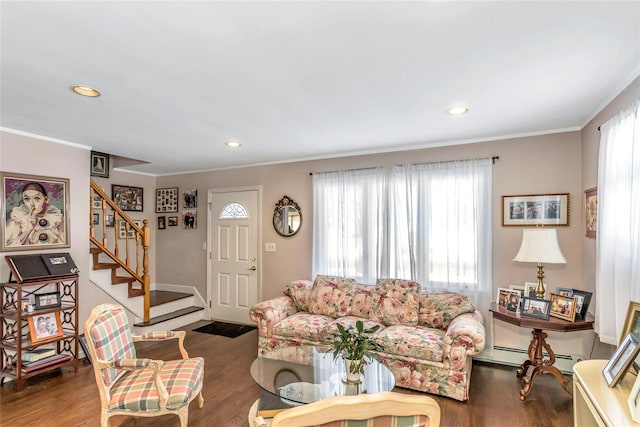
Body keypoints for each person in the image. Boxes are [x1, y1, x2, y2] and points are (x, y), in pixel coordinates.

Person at [5, 182, 65, 247]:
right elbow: (8, 245)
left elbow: (62, 244)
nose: (32, 204)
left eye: (37, 198)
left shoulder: (56, 218)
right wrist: (28, 229)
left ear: (46, 199)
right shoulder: (18, 218)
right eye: (27, 199)